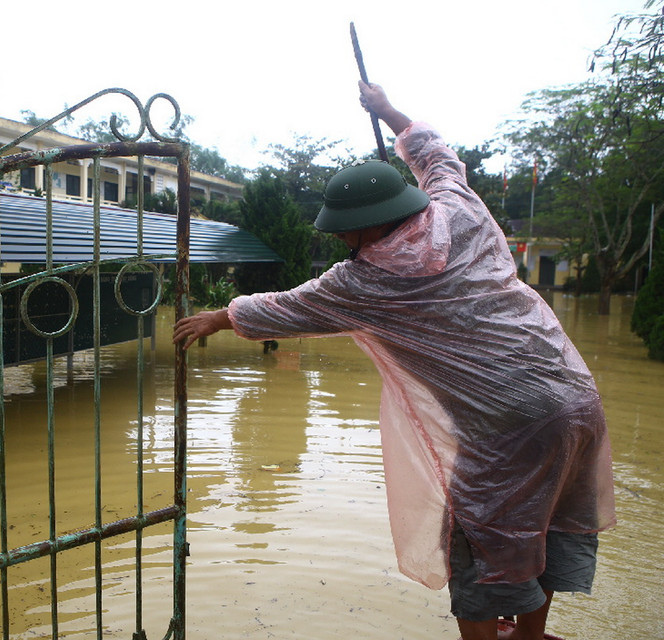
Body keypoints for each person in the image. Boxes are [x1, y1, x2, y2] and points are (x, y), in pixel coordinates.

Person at [172, 81, 616, 640]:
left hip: (509, 425)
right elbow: (436, 154)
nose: (341, 240)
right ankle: (528, 637)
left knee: (480, 537)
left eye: (345, 229)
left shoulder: (365, 281)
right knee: (544, 521)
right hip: (574, 393)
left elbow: (286, 308)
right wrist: (388, 111)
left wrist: (215, 317)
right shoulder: (460, 209)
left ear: (365, 224)